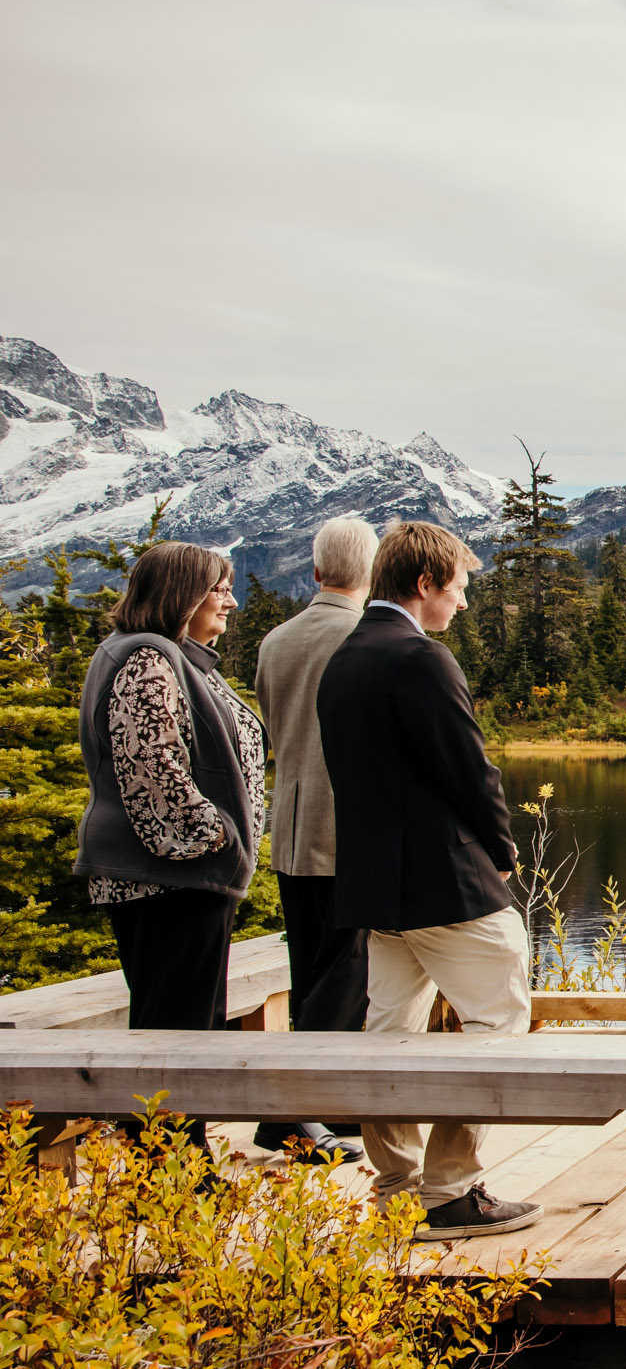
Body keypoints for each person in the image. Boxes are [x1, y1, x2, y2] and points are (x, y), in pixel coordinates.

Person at [319, 522, 541, 1240]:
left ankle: (397, 1184)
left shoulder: (346, 658)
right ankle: (450, 1187)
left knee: (389, 1029)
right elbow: (467, 768)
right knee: (499, 1012)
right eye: (459, 588)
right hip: (442, 881)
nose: (463, 604)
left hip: (376, 888)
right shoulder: (422, 659)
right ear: (425, 583)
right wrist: (503, 848)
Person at [72, 542, 270, 1155]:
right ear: (183, 594)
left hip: (180, 878)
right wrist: (215, 837)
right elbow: (150, 764)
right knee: (175, 1032)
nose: (231, 601)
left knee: (186, 1025)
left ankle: (178, 1170)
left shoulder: (164, 655)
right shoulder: (147, 659)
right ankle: (167, 1174)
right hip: (169, 879)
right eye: (219, 588)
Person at [249, 518, 379, 1163]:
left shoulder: (275, 641)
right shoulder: (364, 636)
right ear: (370, 573)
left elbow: (275, 724)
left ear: (316, 567)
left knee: (311, 967)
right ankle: (292, 1113)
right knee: (347, 968)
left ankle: (321, 1104)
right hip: (346, 826)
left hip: (291, 826)